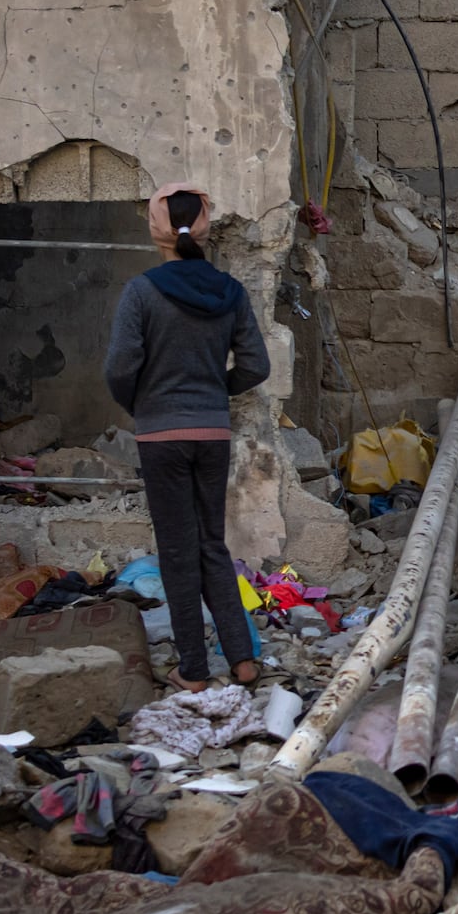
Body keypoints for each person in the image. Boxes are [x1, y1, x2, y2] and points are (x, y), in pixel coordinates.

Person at [105, 185, 270, 690]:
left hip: (162, 435)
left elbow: (119, 367)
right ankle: (242, 658)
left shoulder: (142, 291)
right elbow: (257, 366)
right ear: (203, 227)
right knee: (212, 545)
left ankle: (193, 669)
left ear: (157, 228)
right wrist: (215, 391)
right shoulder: (231, 292)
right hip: (211, 432)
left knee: (177, 550)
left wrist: (143, 402)